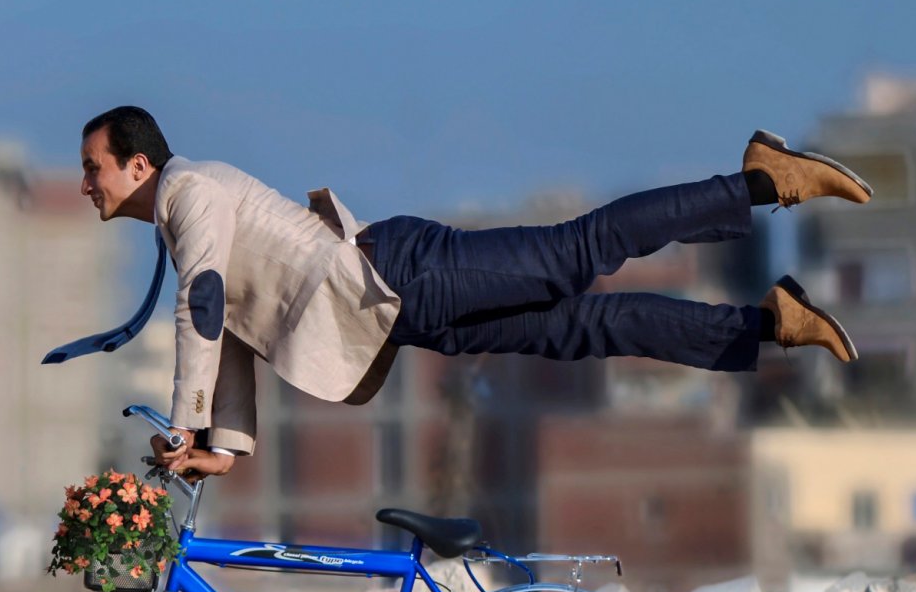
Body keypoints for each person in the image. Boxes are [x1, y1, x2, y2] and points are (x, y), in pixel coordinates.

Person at [59, 106, 870, 480]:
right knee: (593, 329)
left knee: (575, 252)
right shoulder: (179, 216)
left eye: (93, 165)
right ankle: (770, 325)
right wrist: (224, 445)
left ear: (138, 164)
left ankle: (760, 179)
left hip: (400, 276)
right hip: (407, 314)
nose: (84, 182)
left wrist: (184, 417)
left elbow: (200, 304)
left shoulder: (189, 191)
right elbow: (233, 325)